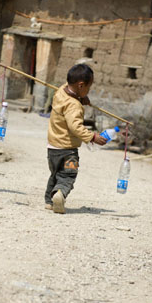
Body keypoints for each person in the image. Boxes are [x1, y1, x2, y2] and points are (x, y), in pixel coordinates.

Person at [44, 64, 108, 214]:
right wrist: (92, 137)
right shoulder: (74, 106)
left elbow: (70, 88)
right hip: (68, 151)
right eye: (88, 87)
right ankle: (59, 195)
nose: (89, 90)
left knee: (55, 174)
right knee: (68, 175)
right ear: (81, 85)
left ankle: (49, 201)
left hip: (52, 148)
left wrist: (81, 96)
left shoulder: (60, 92)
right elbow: (75, 127)